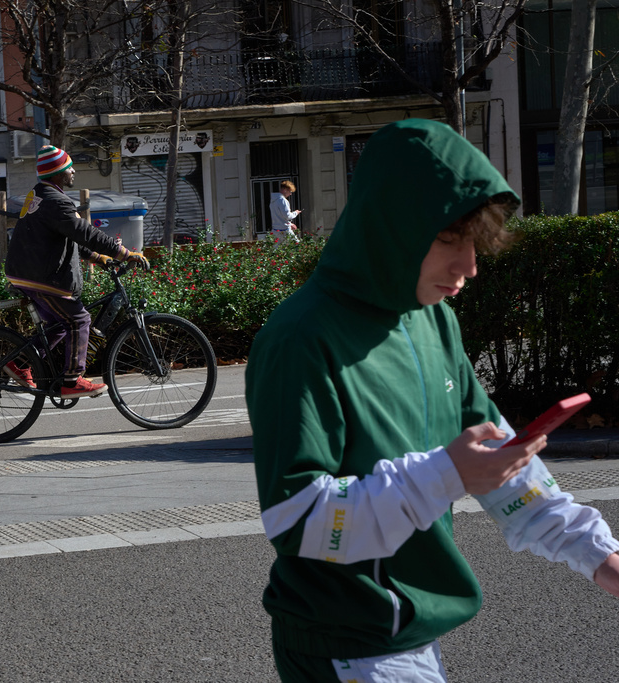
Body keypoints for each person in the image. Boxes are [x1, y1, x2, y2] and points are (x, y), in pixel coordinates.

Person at [245, 119, 619, 682]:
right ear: (390, 225)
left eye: (474, 242)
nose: (469, 266)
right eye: (449, 238)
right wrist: (447, 473)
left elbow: (500, 459)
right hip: (345, 644)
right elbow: (298, 521)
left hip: (406, 638)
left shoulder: (433, 320)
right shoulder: (301, 338)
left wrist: (601, 557)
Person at [5, 145, 149, 398]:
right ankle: (72, 381)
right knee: (79, 319)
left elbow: (68, 238)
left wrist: (99, 257)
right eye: (69, 167)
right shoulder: (57, 201)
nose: (73, 172)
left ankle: (19, 364)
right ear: (59, 172)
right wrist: (125, 254)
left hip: (25, 272)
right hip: (41, 277)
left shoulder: (39, 196)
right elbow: (85, 233)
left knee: (59, 325)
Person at [268, 180, 301, 244]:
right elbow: (287, 216)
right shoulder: (283, 200)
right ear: (285, 189)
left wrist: (290, 224)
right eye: (290, 191)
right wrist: (296, 213)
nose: (290, 194)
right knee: (297, 246)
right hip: (285, 230)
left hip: (275, 230)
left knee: (277, 250)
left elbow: (279, 217)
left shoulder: (273, 200)